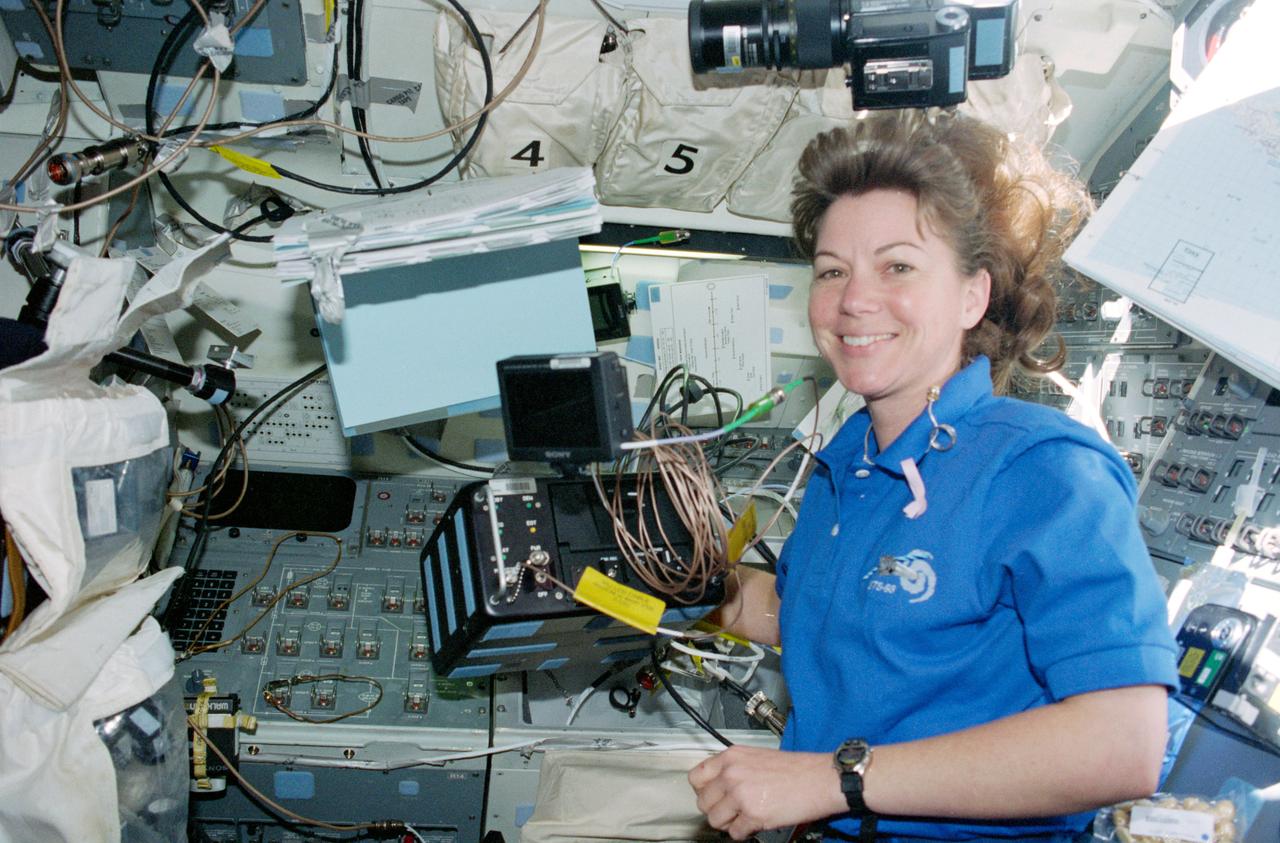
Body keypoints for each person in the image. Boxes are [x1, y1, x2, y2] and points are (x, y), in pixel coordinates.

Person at [688, 110, 1179, 842]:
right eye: (832, 270)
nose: (854, 300)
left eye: (898, 267)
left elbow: (1124, 743)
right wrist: (677, 584)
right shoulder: (843, 464)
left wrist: (835, 779)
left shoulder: (1043, 470)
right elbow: (826, 616)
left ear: (973, 295)